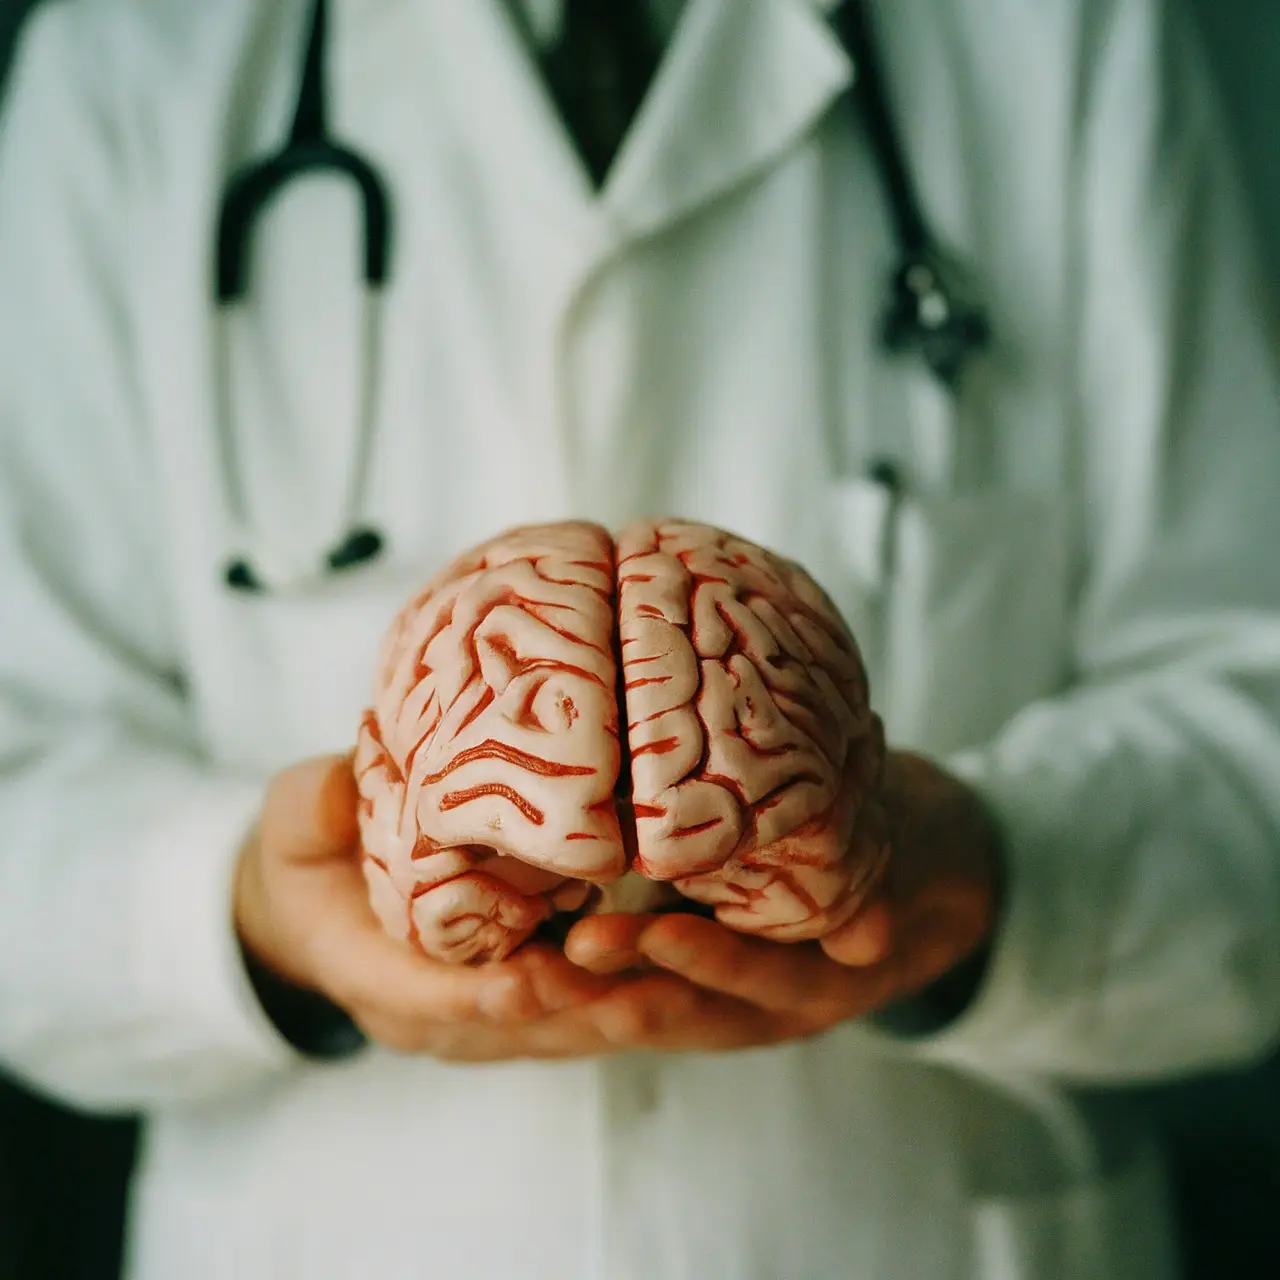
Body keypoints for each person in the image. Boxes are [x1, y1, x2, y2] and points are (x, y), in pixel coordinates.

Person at [1, 0, 1279, 1276]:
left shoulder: (1062, 33)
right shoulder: (133, 52)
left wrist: (995, 880)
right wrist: (238, 912)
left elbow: (1251, 718)